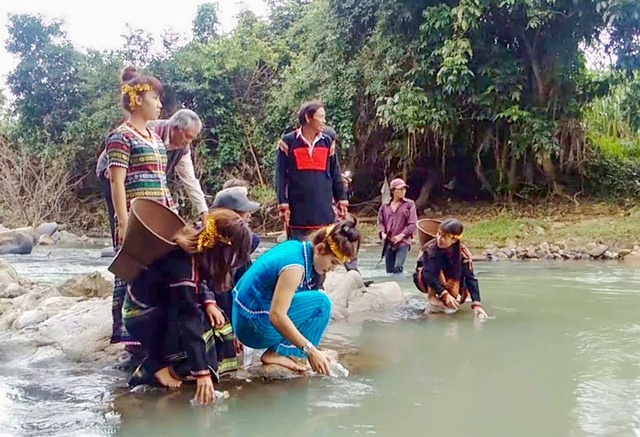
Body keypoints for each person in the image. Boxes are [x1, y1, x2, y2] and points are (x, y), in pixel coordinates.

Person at [124, 208, 252, 405]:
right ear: (221, 246)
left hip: (166, 306)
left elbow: (198, 284)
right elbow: (188, 318)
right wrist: (201, 373)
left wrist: (209, 303)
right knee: (197, 331)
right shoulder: (182, 265)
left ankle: (185, 365)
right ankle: (155, 367)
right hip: (142, 314)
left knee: (218, 326)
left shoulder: (196, 248)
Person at [232, 219, 361, 374]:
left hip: (241, 320)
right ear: (319, 249)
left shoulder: (295, 247)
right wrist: (311, 350)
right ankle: (280, 353)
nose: (332, 269)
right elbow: (277, 316)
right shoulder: (295, 267)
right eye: (333, 262)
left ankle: (287, 350)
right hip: (253, 328)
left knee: (313, 298)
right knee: (321, 304)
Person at [104, 66, 175, 344]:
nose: (159, 104)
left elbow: (162, 180)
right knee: (130, 271)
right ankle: (125, 332)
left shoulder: (155, 138)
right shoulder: (121, 136)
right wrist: (123, 221)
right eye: (154, 99)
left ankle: (154, 328)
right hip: (136, 218)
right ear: (137, 101)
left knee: (158, 270)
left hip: (159, 215)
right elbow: (116, 183)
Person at [97, 109, 208, 245]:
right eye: (187, 136)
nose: (188, 142)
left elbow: (190, 180)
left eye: (192, 138)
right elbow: (117, 164)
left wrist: (203, 210)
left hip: (152, 183)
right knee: (124, 218)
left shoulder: (183, 148)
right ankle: (121, 249)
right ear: (175, 129)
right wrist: (122, 223)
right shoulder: (148, 130)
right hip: (115, 174)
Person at [275, 102, 349, 241]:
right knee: (299, 252)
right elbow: (280, 176)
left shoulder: (327, 142)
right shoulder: (288, 142)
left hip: (324, 211)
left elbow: (335, 173)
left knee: (322, 251)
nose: (324, 121)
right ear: (308, 118)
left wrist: (342, 199)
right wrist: (283, 204)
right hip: (298, 212)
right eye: (320, 117)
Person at [412, 218, 488, 318]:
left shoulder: (463, 254)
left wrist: (476, 304)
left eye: (444, 237)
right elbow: (428, 274)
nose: (439, 239)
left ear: (454, 240)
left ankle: (449, 297)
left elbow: (470, 278)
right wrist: (444, 294)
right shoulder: (430, 249)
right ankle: (432, 296)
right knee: (433, 271)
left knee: (461, 279)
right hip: (425, 278)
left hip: (448, 277)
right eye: (439, 234)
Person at [377, 178, 418, 274]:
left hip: (403, 242)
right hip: (389, 243)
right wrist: (382, 233)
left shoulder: (409, 204)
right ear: (393, 191)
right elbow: (380, 222)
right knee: (389, 271)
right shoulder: (384, 206)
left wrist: (401, 236)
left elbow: (412, 224)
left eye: (404, 189)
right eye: (399, 189)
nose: (402, 191)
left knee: (398, 267)